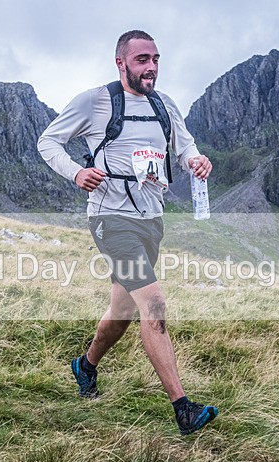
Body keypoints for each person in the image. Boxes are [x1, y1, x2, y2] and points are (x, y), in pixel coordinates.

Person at [37, 30, 218, 435]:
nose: (151, 66)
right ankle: (183, 410)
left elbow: (184, 148)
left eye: (155, 58)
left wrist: (196, 161)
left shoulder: (164, 104)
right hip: (109, 218)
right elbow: (47, 141)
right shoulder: (94, 101)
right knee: (153, 307)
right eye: (141, 60)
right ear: (120, 63)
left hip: (150, 221)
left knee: (122, 313)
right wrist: (77, 172)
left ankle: (85, 367)